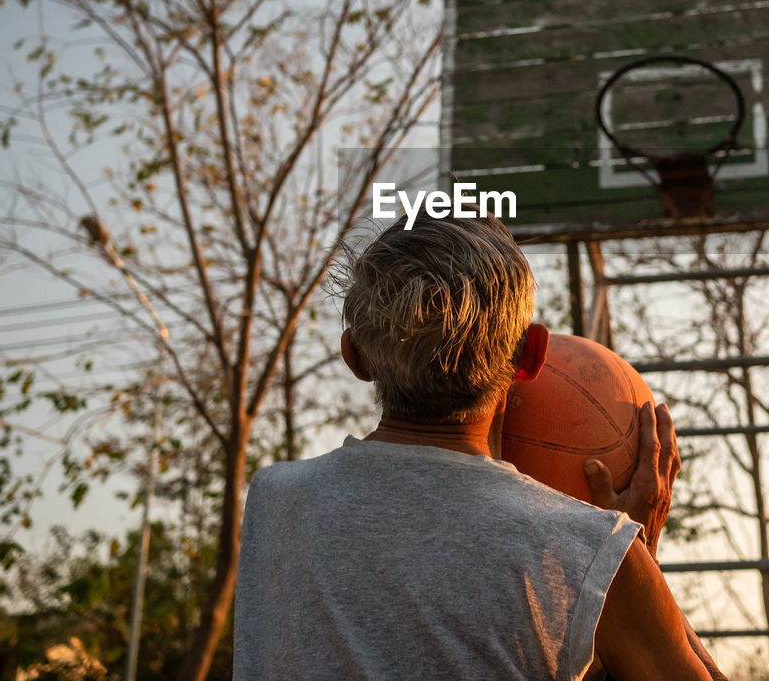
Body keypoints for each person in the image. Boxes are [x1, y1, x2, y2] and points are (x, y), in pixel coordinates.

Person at [233, 213, 725, 680]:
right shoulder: (587, 554)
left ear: (355, 356)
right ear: (531, 355)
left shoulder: (274, 500)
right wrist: (635, 555)